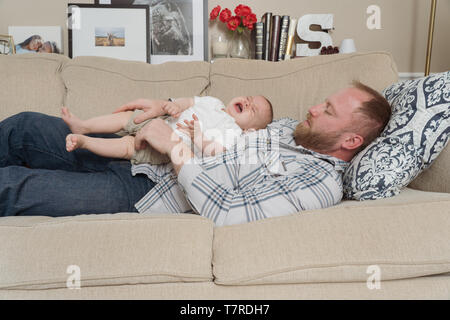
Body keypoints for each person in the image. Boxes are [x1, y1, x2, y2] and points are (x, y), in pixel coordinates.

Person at [0, 81, 391, 225]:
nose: (313, 108)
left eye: (328, 111)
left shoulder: (318, 180)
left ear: (351, 141)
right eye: (323, 101)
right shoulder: (287, 128)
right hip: (131, 149)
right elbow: (210, 111)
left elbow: (229, 211)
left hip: (147, 193)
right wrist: (165, 105)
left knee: (17, 187)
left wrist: (173, 147)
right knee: (26, 126)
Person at [62, 95, 273, 165]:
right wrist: (174, 106)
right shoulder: (213, 101)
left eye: (252, 109)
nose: (246, 103)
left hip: (166, 146)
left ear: (251, 130)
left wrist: (198, 137)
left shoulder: (234, 133)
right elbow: (187, 101)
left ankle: (85, 142)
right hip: (162, 120)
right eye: (249, 98)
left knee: (127, 146)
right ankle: (85, 125)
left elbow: (216, 152)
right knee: (128, 117)